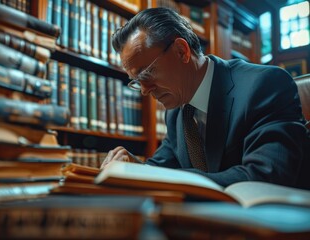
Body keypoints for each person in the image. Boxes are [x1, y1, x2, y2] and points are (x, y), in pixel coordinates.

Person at [100, 8, 310, 190]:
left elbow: (264, 177)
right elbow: (162, 169)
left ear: (181, 51)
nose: (144, 90)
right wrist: (132, 169)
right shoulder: (176, 110)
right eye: (136, 81)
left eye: (145, 74)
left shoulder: (265, 85)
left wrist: (160, 178)